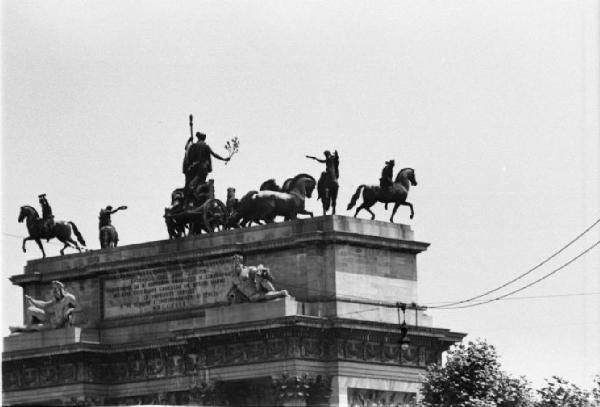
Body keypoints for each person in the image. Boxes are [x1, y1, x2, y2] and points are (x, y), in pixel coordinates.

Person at [10, 280, 77, 332]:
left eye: (56, 291)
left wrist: (70, 311)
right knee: (30, 309)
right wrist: (32, 300)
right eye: (54, 292)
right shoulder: (55, 301)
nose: (55, 294)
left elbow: (78, 307)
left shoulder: (68, 298)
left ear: (61, 290)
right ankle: (27, 324)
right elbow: (44, 305)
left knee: (36, 327)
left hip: (54, 325)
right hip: (50, 318)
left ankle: (18, 328)